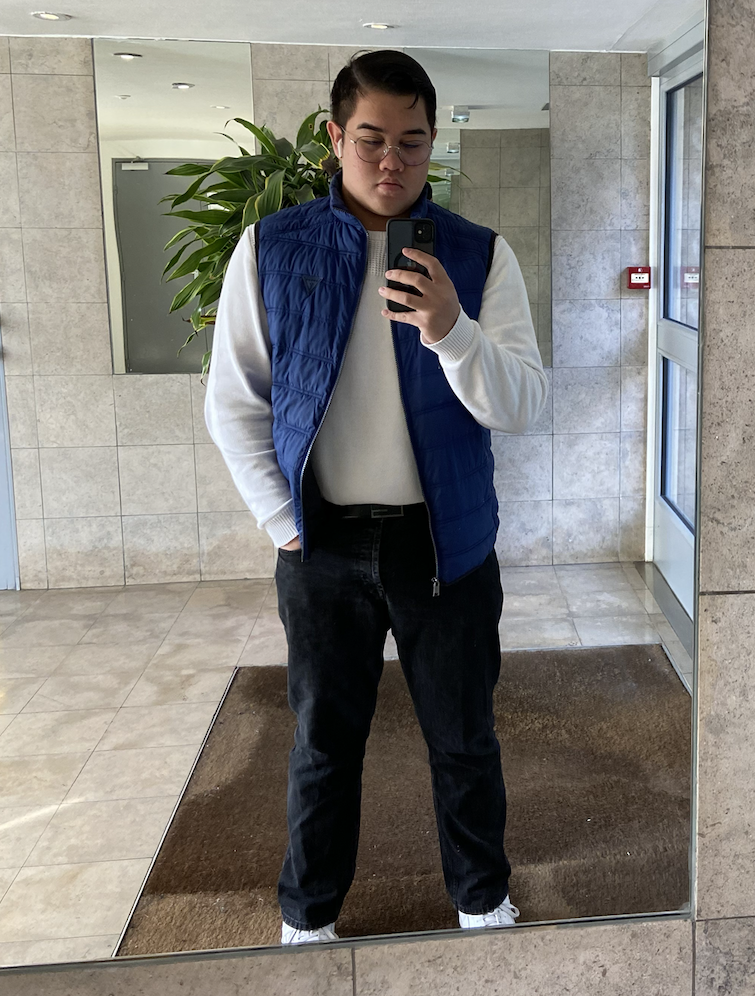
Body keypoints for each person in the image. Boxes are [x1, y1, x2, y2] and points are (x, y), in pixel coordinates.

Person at [205, 49, 548, 945]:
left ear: (433, 143)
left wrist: (451, 329)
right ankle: (309, 917)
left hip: (445, 546)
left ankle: (482, 902)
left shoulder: (479, 255)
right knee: (324, 743)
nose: (391, 160)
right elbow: (234, 401)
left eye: (412, 141)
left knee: (464, 739)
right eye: (370, 139)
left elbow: (523, 404)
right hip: (319, 545)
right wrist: (283, 524)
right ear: (334, 137)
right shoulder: (271, 248)